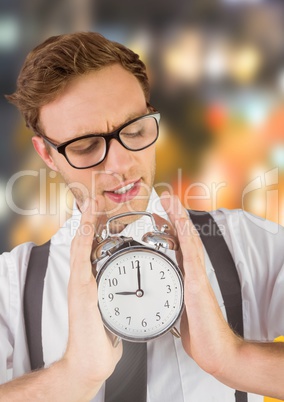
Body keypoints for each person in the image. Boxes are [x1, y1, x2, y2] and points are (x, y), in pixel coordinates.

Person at [0, 31, 283, 402]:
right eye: (85, 146)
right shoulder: (12, 286)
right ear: (47, 154)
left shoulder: (245, 243)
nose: (120, 164)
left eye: (134, 130)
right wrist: (69, 380)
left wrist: (234, 359)